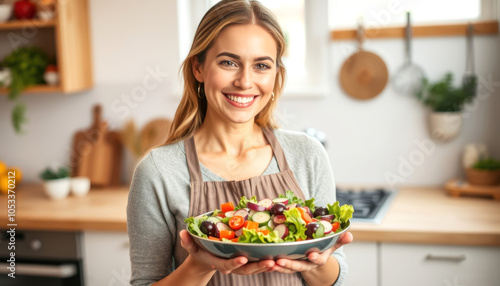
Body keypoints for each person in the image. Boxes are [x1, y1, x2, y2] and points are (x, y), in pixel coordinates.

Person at [127, 0, 353, 285]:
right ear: (198, 68)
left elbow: (335, 279)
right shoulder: (158, 171)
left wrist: (316, 262)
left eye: (261, 65)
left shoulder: (307, 154)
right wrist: (199, 265)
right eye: (228, 62)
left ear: (275, 75)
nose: (245, 82)